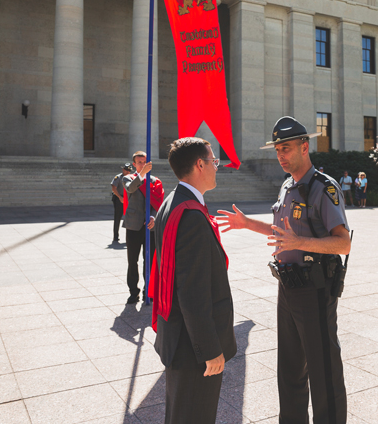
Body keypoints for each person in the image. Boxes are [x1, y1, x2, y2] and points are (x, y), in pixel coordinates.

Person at [217, 116, 351, 424]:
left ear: (305, 147)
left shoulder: (322, 187)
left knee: (323, 371)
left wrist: (299, 241)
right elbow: (281, 233)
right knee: (289, 370)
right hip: (288, 286)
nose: (280, 155)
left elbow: (343, 244)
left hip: (315, 289)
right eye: (277, 149)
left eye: (286, 148)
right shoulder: (288, 186)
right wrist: (248, 223)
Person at [149, 137, 236, 424]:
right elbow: (193, 293)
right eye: (214, 161)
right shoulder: (191, 217)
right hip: (192, 348)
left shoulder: (172, 203)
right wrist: (210, 350)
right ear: (200, 164)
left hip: (178, 335)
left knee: (181, 414)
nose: (216, 167)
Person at [122, 151, 164, 304]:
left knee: (150, 260)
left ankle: (149, 291)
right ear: (134, 164)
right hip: (133, 225)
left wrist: (153, 217)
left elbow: (158, 203)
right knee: (132, 261)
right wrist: (141, 175)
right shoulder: (128, 178)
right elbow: (130, 189)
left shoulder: (154, 181)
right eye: (139, 162)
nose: (142, 164)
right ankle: (134, 292)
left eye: (144, 161)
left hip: (149, 226)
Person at [110, 162, 133, 243]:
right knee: (118, 218)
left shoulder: (131, 177)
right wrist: (120, 197)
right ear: (123, 169)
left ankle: (129, 237)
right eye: (126, 170)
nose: (127, 172)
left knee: (129, 217)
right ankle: (115, 236)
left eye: (129, 170)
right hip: (119, 198)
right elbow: (114, 187)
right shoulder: (118, 177)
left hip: (128, 198)